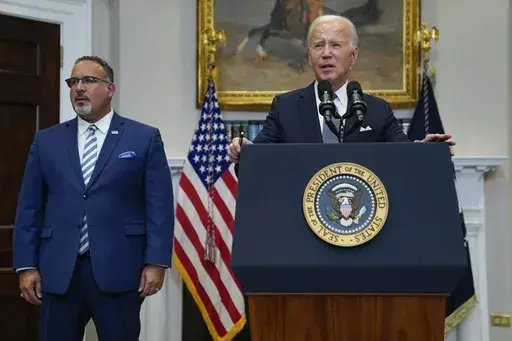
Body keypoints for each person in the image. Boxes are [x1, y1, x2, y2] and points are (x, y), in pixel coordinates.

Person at [12, 56, 174, 341]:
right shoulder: (46, 141)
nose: (79, 88)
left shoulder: (143, 138)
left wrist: (156, 262)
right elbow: (29, 207)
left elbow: (158, 205)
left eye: (89, 80)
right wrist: (26, 265)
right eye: (74, 82)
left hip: (121, 269)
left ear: (110, 89)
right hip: (59, 271)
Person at [228, 14, 455, 164]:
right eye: (318, 46)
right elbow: (258, 156)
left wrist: (424, 152)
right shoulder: (285, 106)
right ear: (310, 56)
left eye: (335, 45)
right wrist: (244, 151)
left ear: (353, 55)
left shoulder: (377, 110)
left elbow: (403, 155)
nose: (326, 53)